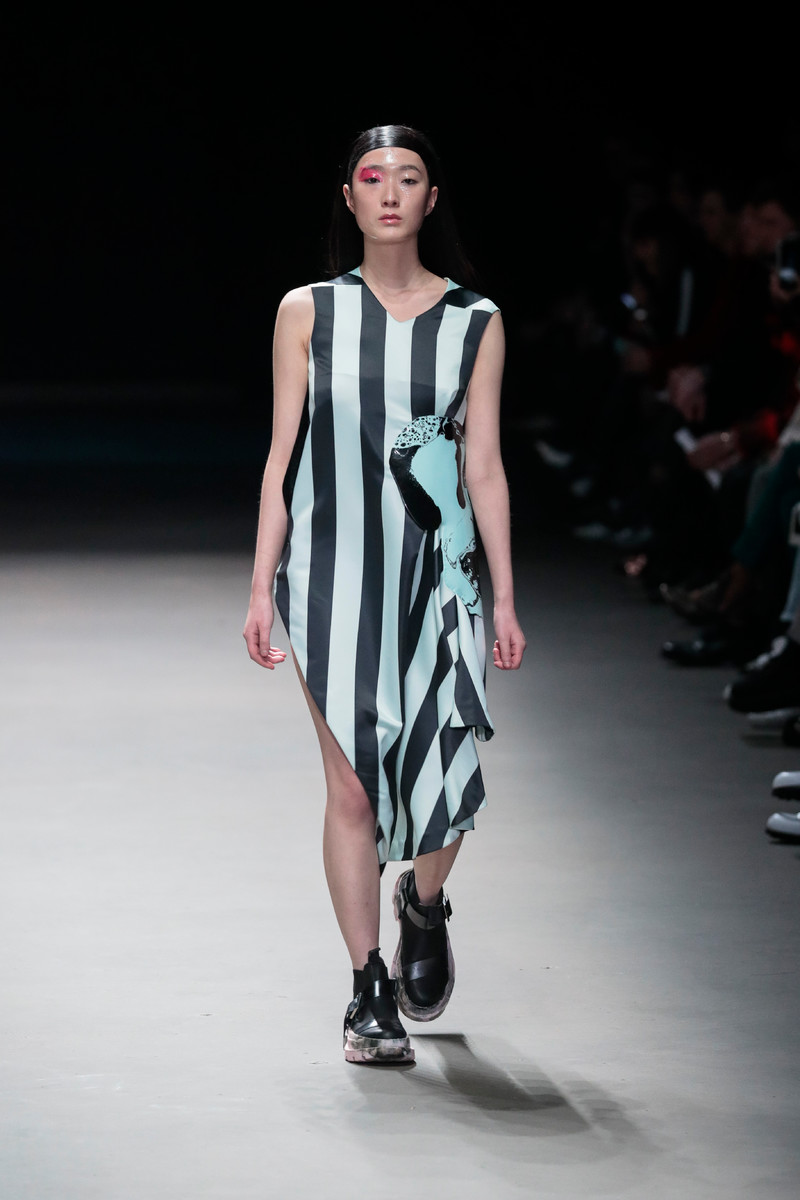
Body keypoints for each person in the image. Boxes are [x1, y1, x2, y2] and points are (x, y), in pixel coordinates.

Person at [243, 125, 526, 1065]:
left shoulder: (476, 322)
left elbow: (485, 467)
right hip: (330, 578)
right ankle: (368, 987)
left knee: (445, 768)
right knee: (354, 788)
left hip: (441, 576)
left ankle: (424, 902)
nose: (391, 192)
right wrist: (260, 585)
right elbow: (282, 459)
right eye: (374, 177)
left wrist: (505, 599)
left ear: (432, 199)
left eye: (410, 178)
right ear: (350, 196)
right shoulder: (308, 311)